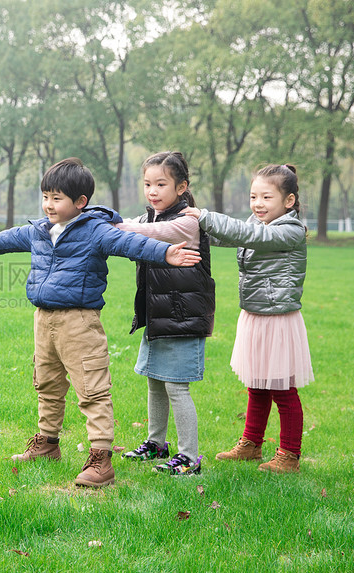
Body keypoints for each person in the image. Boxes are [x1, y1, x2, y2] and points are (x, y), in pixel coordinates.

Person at [0, 157, 202, 488]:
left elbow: (130, 243)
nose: (48, 205)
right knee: (46, 382)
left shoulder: (95, 231)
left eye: (57, 198)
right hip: (43, 319)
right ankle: (47, 443)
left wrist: (165, 254)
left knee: (91, 388)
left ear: (80, 202)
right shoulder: (39, 230)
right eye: (46, 196)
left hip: (79, 321)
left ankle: (101, 459)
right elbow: (11, 237)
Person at [184, 163, 313, 473]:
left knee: (283, 389)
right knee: (257, 383)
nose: (257, 204)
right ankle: (251, 445)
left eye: (266, 197)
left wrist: (206, 216)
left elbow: (246, 234)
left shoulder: (289, 231)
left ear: (289, 201)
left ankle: (289, 456)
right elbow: (229, 236)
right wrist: (193, 227)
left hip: (278, 319)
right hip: (255, 314)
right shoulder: (259, 225)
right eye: (254, 196)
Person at [116, 151, 215, 476]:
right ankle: (156, 443)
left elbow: (151, 235)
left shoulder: (187, 221)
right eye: (148, 184)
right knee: (155, 382)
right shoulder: (151, 218)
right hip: (158, 316)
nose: (153, 191)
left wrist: (117, 226)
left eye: (161, 183)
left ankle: (190, 458)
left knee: (176, 387)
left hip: (183, 316)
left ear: (182, 186)